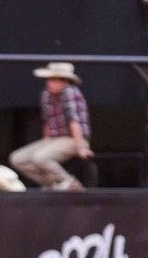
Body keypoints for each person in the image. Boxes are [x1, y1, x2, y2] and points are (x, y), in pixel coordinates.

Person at [10, 62, 91, 191]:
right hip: (54, 139)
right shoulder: (46, 94)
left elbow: (74, 121)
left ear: (65, 82)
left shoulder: (70, 92)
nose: (49, 83)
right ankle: (53, 184)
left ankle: (70, 183)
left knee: (40, 157)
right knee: (17, 158)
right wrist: (45, 141)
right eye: (49, 79)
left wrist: (80, 147)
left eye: (54, 80)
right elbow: (48, 121)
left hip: (72, 139)